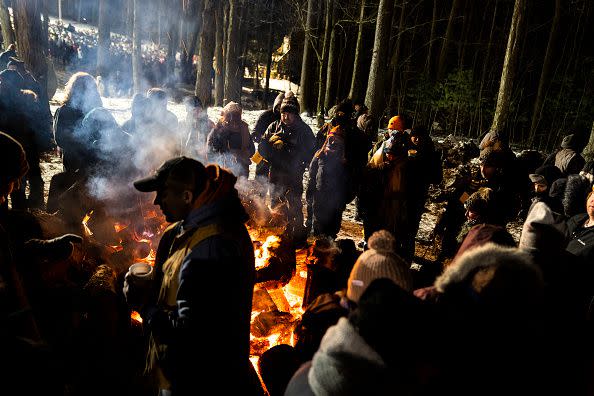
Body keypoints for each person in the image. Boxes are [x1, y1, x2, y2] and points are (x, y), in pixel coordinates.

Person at [126, 156, 256, 395]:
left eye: (163, 194)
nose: (156, 202)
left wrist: (144, 306)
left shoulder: (213, 246)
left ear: (187, 196)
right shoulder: (187, 229)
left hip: (200, 379)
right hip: (179, 372)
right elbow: (189, 284)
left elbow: (188, 333)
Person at [258, 91, 316, 244]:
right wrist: (270, 144)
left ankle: (296, 236)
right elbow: (262, 148)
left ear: (295, 114)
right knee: (276, 202)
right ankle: (276, 236)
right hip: (275, 172)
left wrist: (288, 148)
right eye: (283, 113)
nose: (285, 117)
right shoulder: (274, 126)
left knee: (294, 203)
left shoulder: (304, 130)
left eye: (289, 114)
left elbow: (311, 152)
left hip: (294, 173)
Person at [206, 101, 254, 177]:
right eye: (231, 115)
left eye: (237, 115)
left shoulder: (244, 128)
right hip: (224, 169)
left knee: (241, 187)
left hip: (242, 170)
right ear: (226, 115)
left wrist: (242, 154)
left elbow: (252, 149)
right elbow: (211, 149)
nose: (234, 119)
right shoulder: (219, 128)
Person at [251, 91, 285, 178]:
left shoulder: (287, 118)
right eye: (279, 104)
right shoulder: (266, 115)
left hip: (279, 156)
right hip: (263, 152)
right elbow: (254, 133)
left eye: (282, 105)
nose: (280, 107)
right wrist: (265, 140)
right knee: (260, 180)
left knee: (275, 182)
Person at [182, 95, 214, 161]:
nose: (197, 112)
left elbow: (211, 146)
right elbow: (182, 144)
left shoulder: (209, 124)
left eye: (199, 109)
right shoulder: (183, 123)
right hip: (187, 158)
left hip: (203, 160)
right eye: (193, 110)